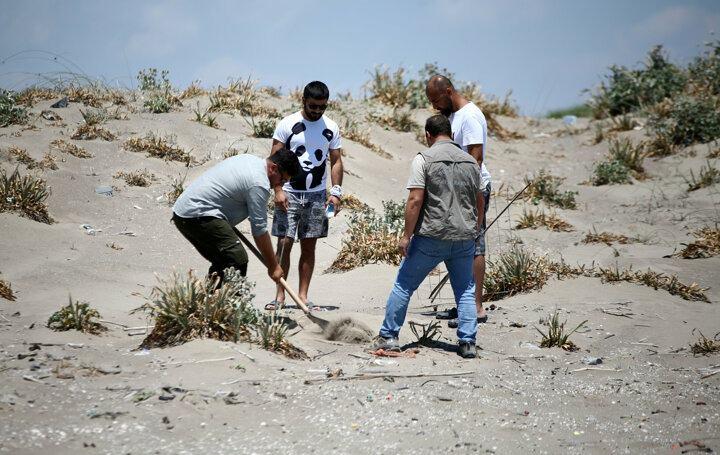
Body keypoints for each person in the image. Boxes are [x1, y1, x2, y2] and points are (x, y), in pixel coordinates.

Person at [374, 115, 484, 359]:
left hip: (431, 236)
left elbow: (415, 199)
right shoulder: (470, 162)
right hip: (464, 236)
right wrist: (475, 229)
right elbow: (479, 200)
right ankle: (468, 342)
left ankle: (389, 336)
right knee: (465, 290)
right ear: (452, 135)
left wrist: (406, 236)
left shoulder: (424, 159)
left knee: (404, 284)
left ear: (428, 135)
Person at [172, 149, 301, 285]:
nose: (280, 185)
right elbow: (259, 231)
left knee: (224, 260)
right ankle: (228, 303)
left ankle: (211, 301)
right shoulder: (258, 183)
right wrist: (273, 266)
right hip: (197, 214)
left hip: (186, 211)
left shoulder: (250, 159)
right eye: (282, 180)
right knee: (236, 258)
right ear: (273, 168)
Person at [268, 81, 344, 310]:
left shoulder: (331, 127)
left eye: (322, 107)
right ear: (303, 101)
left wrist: (336, 192)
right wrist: (278, 190)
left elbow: (336, 160)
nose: (317, 111)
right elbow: (273, 159)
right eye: (313, 106)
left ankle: (302, 296)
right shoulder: (288, 123)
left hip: (317, 195)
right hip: (289, 193)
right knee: (284, 243)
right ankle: (280, 296)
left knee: (309, 246)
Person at [426, 75, 491, 327]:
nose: (435, 106)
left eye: (436, 100)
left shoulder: (470, 116)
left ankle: (476, 307)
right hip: (454, 189)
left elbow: (476, 159)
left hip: (471, 189)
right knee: (459, 244)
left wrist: (465, 193)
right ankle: (463, 303)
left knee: (475, 244)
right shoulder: (453, 117)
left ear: (448, 91)